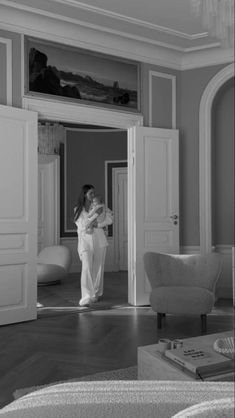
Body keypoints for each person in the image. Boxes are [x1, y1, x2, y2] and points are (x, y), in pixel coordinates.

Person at [74, 184, 113, 306]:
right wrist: (95, 216)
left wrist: (98, 224)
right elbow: (82, 226)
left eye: (93, 193)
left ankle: (95, 293)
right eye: (90, 193)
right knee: (86, 268)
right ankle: (86, 296)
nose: (93, 196)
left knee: (98, 267)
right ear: (84, 195)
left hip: (99, 239)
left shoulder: (101, 206)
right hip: (85, 241)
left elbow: (110, 219)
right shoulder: (78, 209)